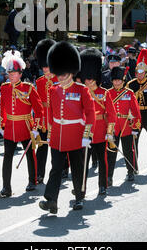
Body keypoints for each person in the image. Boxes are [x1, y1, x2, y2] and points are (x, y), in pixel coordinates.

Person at [39, 41, 95, 214]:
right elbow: (50, 112)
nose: (60, 77)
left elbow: (91, 113)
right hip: (57, 135)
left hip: (76, 134)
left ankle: (79, 197)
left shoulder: (81, 90)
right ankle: (51, 200)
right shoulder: (53, 90)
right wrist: (49, 131)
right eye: (59, 74)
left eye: (63, 74)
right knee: (56, 168)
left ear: (70, 72)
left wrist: (87, 134)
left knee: (77, 168)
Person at [0, 51, 43, 196]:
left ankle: (32, 180)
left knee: (30, 154)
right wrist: (3, 123)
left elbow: (39, 110)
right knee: (7, 157)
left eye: (14, 73)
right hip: (11, 126)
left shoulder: (28, 88)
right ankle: (6, 188)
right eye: (9, 72)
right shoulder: (4, 88)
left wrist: (36, 128)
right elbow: (3, 107)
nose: (11, 75)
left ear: (20, 74)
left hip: (25, 125)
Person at [80, 48, 116, 196]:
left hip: (100, 132)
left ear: (95, 77)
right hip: (85, 132)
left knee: (102, 160)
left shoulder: (104, 93)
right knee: (83, 163)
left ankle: (103, 185)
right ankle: (81, 187)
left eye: (90, 78)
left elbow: (112, 115)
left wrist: (109, 132)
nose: (88, 81)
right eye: (86, 78)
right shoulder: (81, 92)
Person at [107, 66, 141, 183]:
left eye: (119, 80)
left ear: (122, 81)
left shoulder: (129, 93)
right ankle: (109, 176)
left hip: (126, 125)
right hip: (113, 126)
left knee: (128, 150)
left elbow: (136, 111)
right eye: (115, 80)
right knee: (111, 151)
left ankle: (130, 171)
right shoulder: (108, 93)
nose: (116, 82)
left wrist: (135, 127)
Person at [35, 39, 58, 184]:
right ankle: (39, 174)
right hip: (44, 118)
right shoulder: (39, 81)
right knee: (42, 147)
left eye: (47, 68)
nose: (45, 71)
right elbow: (38, 103)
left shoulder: (59, 79)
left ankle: (62, 168)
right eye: (44, 69)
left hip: (56, 117)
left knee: (58, 148)